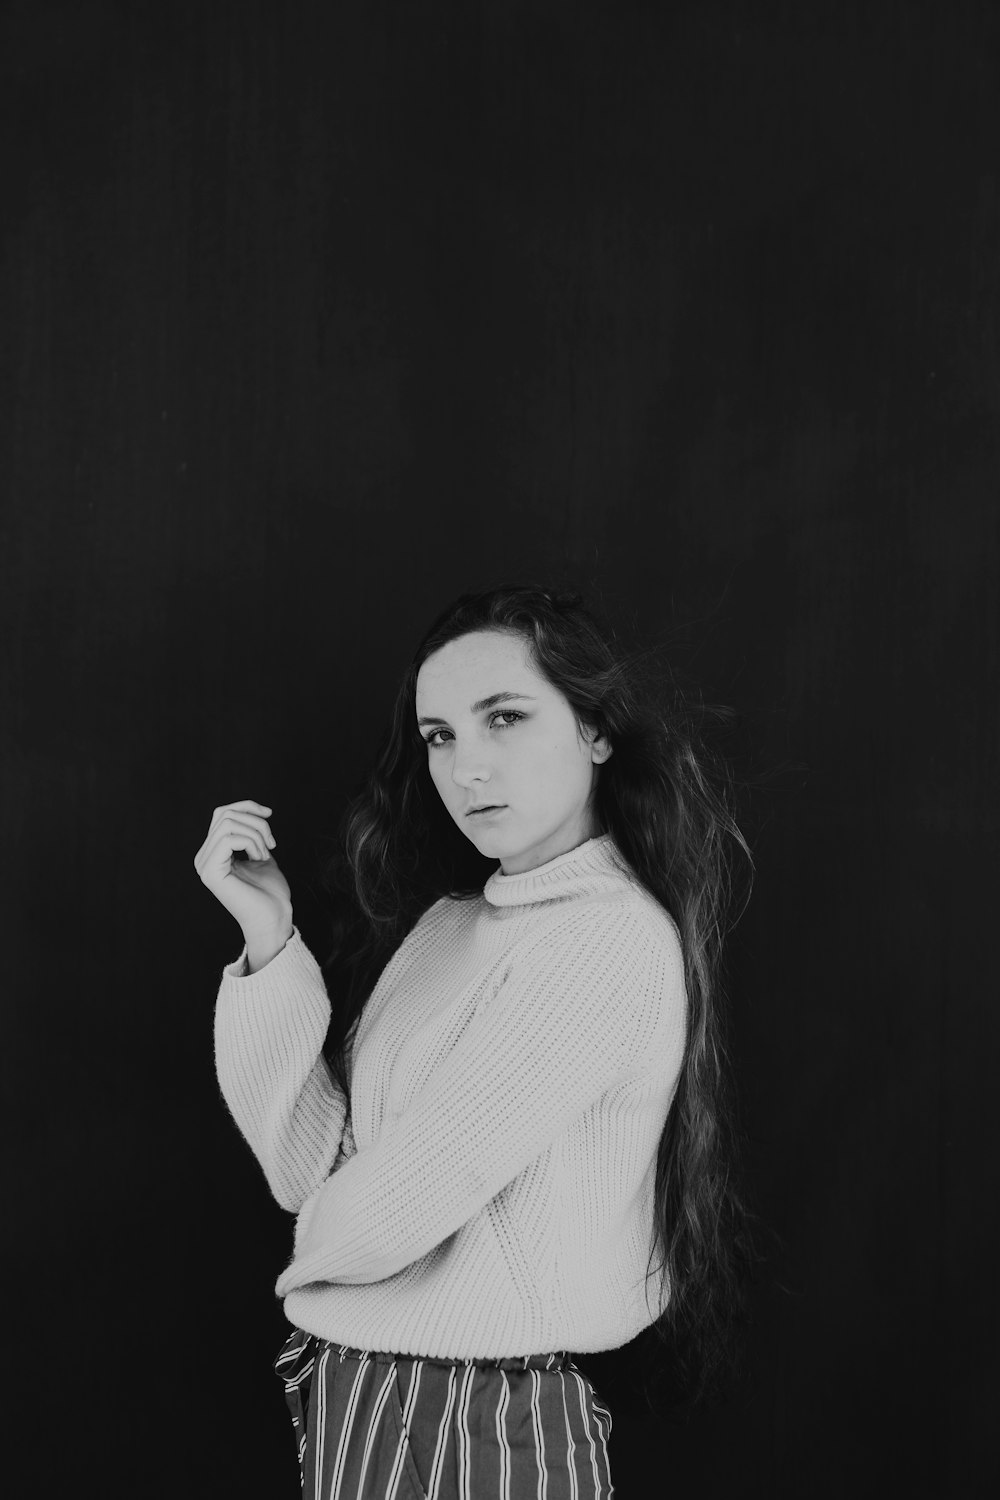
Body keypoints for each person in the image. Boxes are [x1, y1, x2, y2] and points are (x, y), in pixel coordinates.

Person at [194, 582, 754, 1500]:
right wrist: (270, 942)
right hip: (370, 1396)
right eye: (441, 736)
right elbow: (311, 1170)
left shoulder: (607, 938)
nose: (466, 768)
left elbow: (399, 1202)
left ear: (596, 731)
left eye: (505, 718)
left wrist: (311, 1280)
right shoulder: (451, 927)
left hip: (473, 1418)